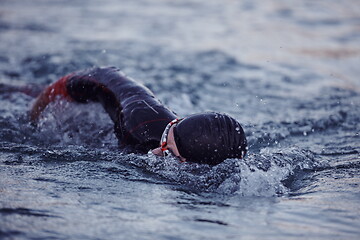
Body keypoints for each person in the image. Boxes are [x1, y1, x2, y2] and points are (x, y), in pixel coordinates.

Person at [29, 66, 247, 165]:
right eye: (164, 142)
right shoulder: (140, 120)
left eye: (169, 154)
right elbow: (101, 75)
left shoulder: (228, 167)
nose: (154, 152)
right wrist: (35, 114)